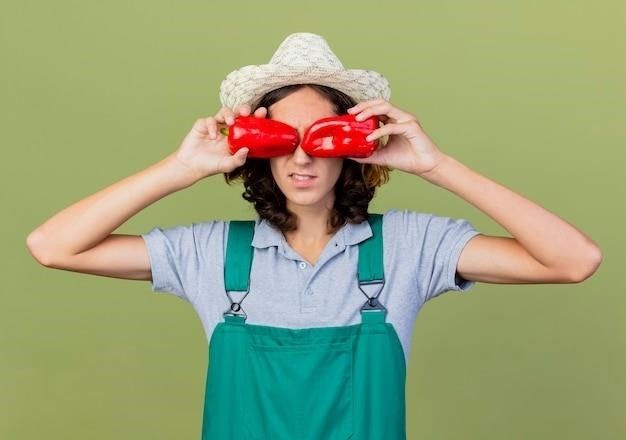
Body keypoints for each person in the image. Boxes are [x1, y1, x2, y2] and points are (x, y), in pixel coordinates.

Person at [26, 32, 602, 440]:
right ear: (259, 149)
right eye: (282, 139)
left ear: (352, 147)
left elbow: (574, 259)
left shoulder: (409, 249)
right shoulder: (209, 254)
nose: (302, 158)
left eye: (322, 137)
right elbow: (52, 246)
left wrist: (435, 165)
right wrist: (181, 169)